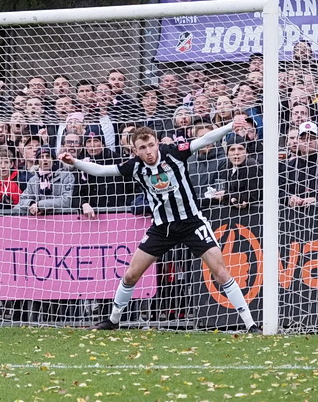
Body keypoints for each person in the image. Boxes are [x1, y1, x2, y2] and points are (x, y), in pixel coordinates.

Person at [58, 116, 262, 333]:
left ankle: (250, 325)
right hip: (162, 228)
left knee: (221, 272)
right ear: (135, 150)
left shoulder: (174, 152)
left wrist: (231, 125)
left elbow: (203, 140)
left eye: (151, 145)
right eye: (142, 148)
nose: (148, 151)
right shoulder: (134, 166)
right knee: (130, 275)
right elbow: (102, 170)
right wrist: (76, 162)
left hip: (191, 222)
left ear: (157, 143)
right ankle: (113, 320)